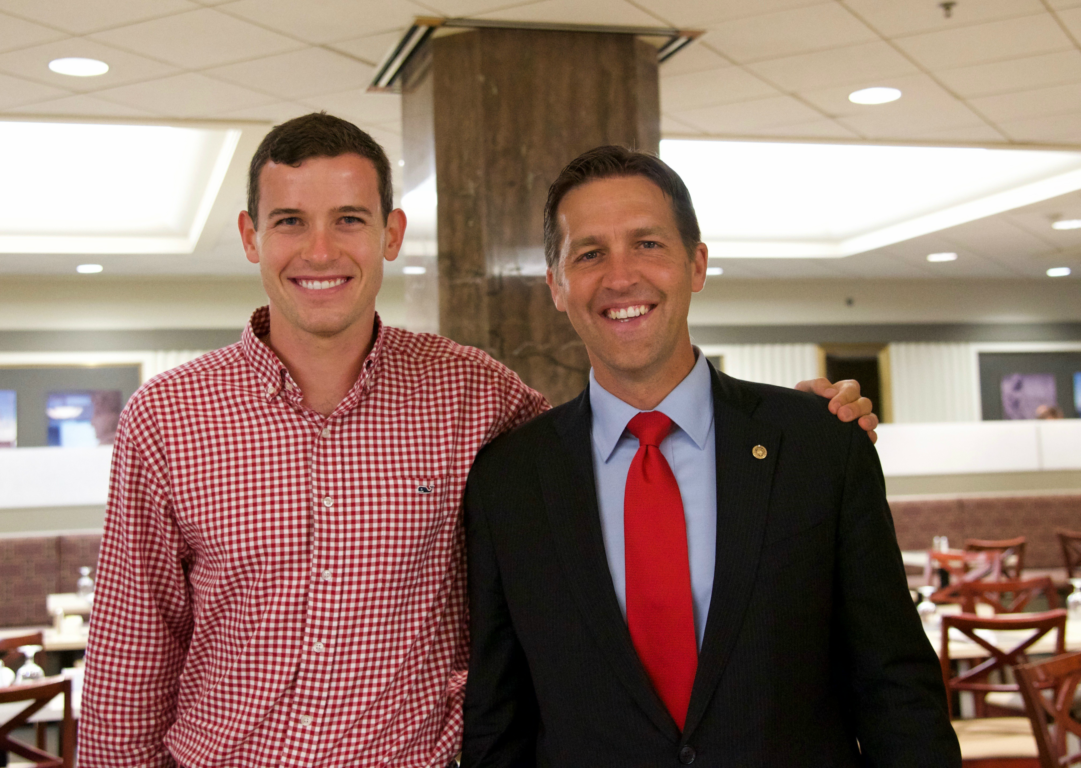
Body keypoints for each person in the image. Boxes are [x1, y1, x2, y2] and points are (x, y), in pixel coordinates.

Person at [78, 115, 879, 767]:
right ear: (252, 236)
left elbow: (623, 432)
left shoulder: (474, 395)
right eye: (290, 221)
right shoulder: (168, 418)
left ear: (389, 233)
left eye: (348, 220)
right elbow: (129, 658)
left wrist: (789, 420)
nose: (319, 251)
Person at [461, 146, 958, 767]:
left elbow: (897, 690)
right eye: (589, 254)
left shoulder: (818, 445)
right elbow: (497, 719)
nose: (621, 277)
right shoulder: (510, 479)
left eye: (648, 244)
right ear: (556, 286)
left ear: (696, 264)